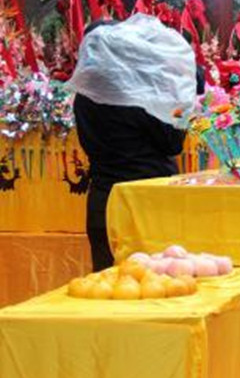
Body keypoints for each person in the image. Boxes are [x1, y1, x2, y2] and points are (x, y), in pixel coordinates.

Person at [72, 20, 199, 272]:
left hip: (104, 202)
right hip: (147, 202)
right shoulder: (140, 94)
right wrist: (180, 106)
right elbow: (172, 143)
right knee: (154, 288)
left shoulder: (83, 97)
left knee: (108, 287)